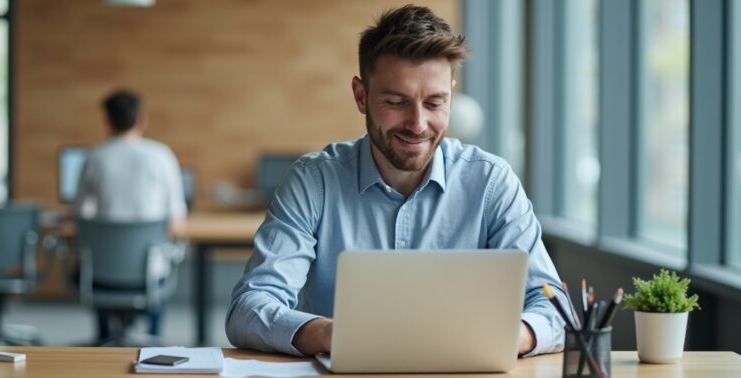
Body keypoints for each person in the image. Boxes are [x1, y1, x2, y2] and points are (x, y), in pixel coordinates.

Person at [225, 5, 568, 358]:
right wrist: (331, 334)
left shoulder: (492, 183)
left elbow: (556, 311)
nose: (418, 124)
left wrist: (504, 338)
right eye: (396, 101)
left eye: (435, 102)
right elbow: (249, 309)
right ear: (361, 96)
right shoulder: (314, 182)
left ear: (451, 94)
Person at [73, 89, 187, 341]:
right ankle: (154, 341)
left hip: (101, 275)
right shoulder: (162, 156)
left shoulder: (93, 158)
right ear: (141, 120)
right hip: (148, 275)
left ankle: (103, 339)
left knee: (96, 261)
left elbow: (79, 216)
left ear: (106, 122)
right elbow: (176, 223)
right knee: (158, 264)